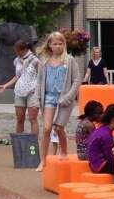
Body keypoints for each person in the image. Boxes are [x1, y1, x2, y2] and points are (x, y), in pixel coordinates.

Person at [33, 31, 81, 173]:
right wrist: (36, 98)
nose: (58, 46)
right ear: (50, 45)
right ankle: (43, 160)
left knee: (59, 127)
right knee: (47, 128)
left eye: (60, 43)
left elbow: (77, 80)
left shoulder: (69, 60)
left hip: (64, 97)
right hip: (48, 97)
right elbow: (39, 81)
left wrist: (69, 96)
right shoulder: (44, 61)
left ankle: (64, 151)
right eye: (55, 44)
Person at [0, 39, 41, 136]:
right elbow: (18, 76)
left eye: (18, 51)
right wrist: (6, 85)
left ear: (25, 49)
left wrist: (39, 92)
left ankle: (33, 141)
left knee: (33, 118)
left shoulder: (35, 60)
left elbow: (40, 77)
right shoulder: (17, 60)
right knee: (19, 119)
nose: (17, 53)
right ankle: (19, 140)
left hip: (32, 92)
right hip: (19, 91)